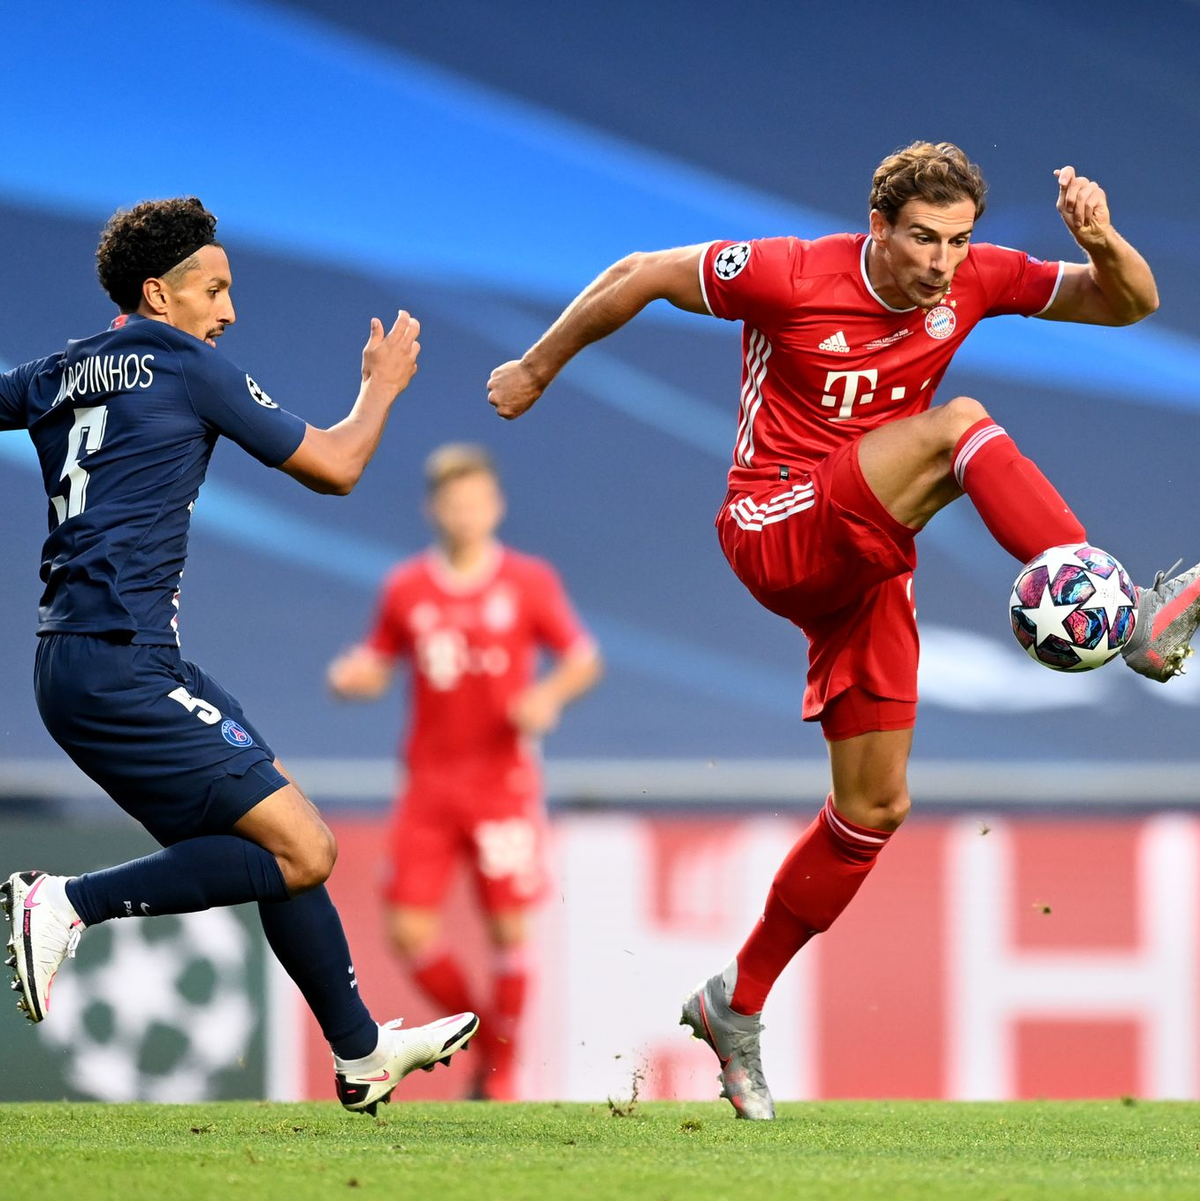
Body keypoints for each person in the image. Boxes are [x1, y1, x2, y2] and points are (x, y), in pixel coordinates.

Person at [485, 142, 1200, 1120]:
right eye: (921, 240)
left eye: (957, 242)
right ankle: (1126, 623)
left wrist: (1103, 240)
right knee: (961, 428)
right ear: (879, 228)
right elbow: (641, 273)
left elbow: (1131, 305)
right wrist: (536, 365)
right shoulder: (791, 272)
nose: (941, 263)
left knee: (874, 808)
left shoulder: (976, 279)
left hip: (866, 558)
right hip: (774, 522)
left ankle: (736, 1000)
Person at [0, 196, 478, 1116]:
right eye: (214, 290)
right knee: (306, 847)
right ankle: (62, 902)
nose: (228, 311)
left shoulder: (58, 372)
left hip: (88, 661)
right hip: (117, 662)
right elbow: (336, 465)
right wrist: (380, 385)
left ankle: (361, 1051)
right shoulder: (185, 366)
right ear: (158, 292)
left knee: (279, 832)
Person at [327, 442, 602, 1100]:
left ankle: (500, 1073)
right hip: (429, 783)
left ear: (496, 506)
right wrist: (355, 677)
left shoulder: (528, 581)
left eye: (476, 502)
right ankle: (480, 1036)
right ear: (434, 510)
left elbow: (581, 657)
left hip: (503, 782)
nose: (466, 514)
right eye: (454, 503)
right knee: (408, 926)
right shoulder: (406, 587)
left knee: (510, 927)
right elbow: (377, 658)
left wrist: (547, 696)